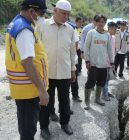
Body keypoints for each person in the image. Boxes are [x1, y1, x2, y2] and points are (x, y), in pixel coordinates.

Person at [5, 0, 49, 139]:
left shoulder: (17, 23)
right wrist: (42, 90)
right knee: (28, 130)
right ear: (31, 11)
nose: (42, 17)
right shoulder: (24, 30)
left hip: (24, 88)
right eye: (41, 14)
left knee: (26, 126)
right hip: (29, 90)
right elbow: (27, 62)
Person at [37, 0, 76, 138]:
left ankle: (65, 123)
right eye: (63, 13)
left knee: (65, 99)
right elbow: (36, 49)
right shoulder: (42, 26)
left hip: (64, 72)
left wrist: (73, 69)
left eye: (68, 14)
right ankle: (44, 127)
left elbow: (72, 52)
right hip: (46, 72)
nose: (65, 16)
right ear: (55, 11)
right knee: (46, 101)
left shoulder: (71, 29)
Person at [84, 14, 114, 110]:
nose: (101, 23)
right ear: (96, 22)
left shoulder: (107, 35)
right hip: (93, 64)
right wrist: (87, 61)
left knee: (101, 83)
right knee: (90, 83)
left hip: (104, 64)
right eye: (99, 21)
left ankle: (97, 99)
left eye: (103, 22)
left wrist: (112, 62)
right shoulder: (91, 33)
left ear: (105, 23)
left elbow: (110, 50)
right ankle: (87, 102)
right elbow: (86, 47)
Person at [102, 22, 118, 101]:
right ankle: (104, 95)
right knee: (104, 78)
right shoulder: (105, 36)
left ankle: (106, 92)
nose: (116, 31)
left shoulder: (114, 37)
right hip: (104, 61)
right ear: (110, 28)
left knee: (108, 78)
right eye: (115, 29)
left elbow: (113, 50)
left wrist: (113, 62)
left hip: (111, 61)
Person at [70, 17, 83, 102]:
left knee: (75, 78)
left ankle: (75, 95)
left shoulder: (76, 30)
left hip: (75, 55)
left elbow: (76, 46)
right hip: (66, 58)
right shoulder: (72, 29)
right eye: (79, 22)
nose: (81, 24)